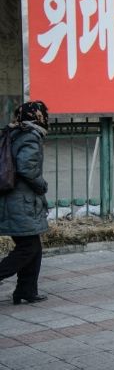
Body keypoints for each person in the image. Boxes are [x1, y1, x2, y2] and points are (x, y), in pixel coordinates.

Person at [0, 101, 50, 305]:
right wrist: (41, 185)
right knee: (28, 247)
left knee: (33, 246)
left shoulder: (13, 133)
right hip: (21, 201)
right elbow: (26, 167)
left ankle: (26, 290)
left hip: (12, 199)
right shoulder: (30, 136)